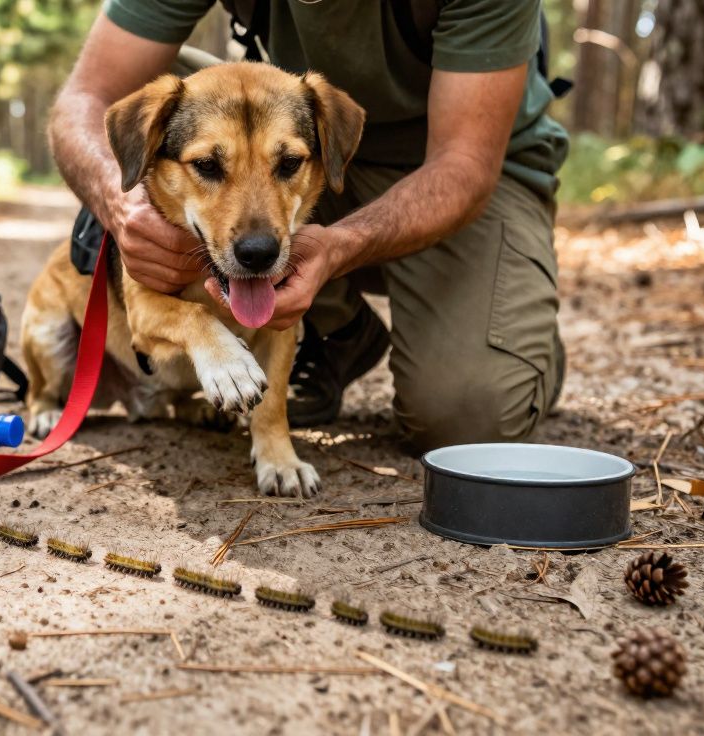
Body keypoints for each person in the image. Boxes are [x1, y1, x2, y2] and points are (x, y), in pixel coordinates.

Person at [48, 0, 568, 453]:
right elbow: (84, 98)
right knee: (158, 82)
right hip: (305, 150)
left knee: (470, 415)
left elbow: (465, 166)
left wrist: (338, 247)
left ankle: (516, 342)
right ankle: (338, 329)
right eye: (209, 165)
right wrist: (119, 204)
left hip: (461, 164)